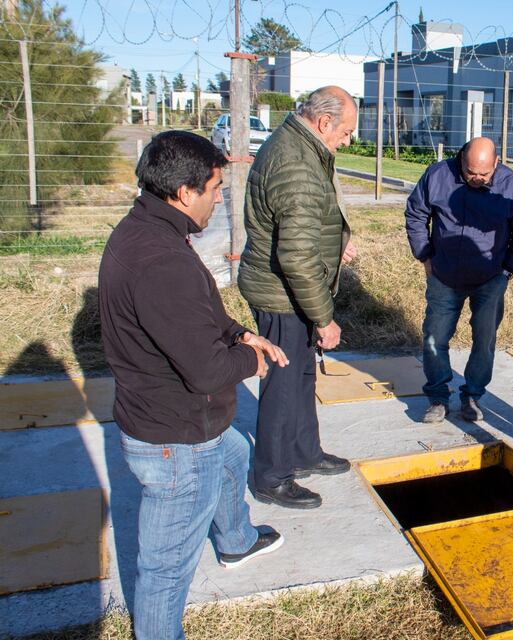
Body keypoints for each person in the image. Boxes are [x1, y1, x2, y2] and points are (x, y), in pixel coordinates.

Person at [99, 130, 288, 639]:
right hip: (176, 439)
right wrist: (251, 360)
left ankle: (237, 540)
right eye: (216, 189)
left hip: (175, 420)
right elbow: (207, 370)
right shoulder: (163, 263)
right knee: (165, 568)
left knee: (232, 453)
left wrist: (240, 333)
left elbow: (196, 313)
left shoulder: (146, 231)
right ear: (185, 192)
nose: (220, 200)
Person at [238, 86, 358, 509]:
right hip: (282, 295)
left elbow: (304, 228)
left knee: (302, 375)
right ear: (324, 122)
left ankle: (304, 452)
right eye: (346, 132)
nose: (347, 141)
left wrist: (335, 243)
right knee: (283, 386)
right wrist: (324, 319)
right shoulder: (297, 164)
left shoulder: (300, 145)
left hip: (291, 291)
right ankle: (272, 476)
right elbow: (297, 257)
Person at [405, 137, 513, 422]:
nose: (476, 178)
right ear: (461, 159)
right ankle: (438, 397)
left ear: (497, 163)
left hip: (490, 279)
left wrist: (508, 269)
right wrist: (424, 255)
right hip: (443, 276)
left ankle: (473, 396)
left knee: (484, 340)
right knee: (434, 337)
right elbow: (416, 214)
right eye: (470, 172)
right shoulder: (437, 175)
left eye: (484, 174)